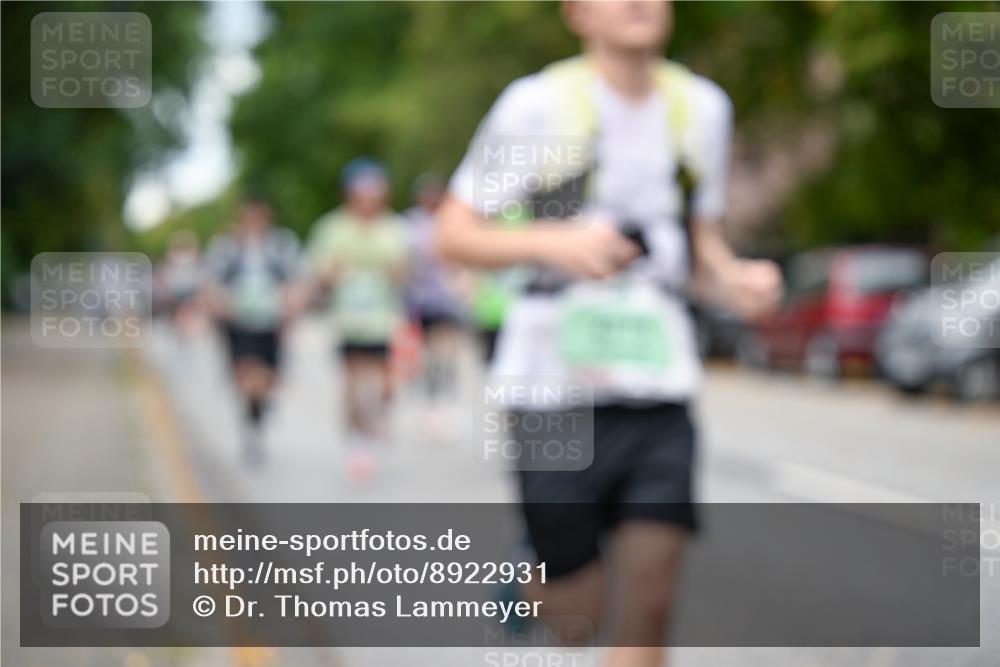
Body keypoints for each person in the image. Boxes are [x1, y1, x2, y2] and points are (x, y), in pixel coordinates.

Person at [435, 2, 782, 665]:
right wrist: (553, 241)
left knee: (650, 605)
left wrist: (736, 280)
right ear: (576, 13)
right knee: (576, 617)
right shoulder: (535, 105)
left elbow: (700, 244)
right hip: (552, 394)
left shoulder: (700, 109)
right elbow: (453, 233)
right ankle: (535, 572)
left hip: (657, 387)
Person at [307, 158, 408, 478]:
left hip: (384, 320)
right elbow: (320, 274)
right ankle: (357, 443)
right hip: (348, 321)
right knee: (352, 382)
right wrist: (338, 271)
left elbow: (404, 272)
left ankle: (375, 422)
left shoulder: (394, 228)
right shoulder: (332, 228)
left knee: (384, 384)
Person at [205, 199, 301, 467]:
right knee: (247, 374)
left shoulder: (280, 246)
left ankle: (258, 408)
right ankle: (252, 426)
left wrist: (290, 307)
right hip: (239, 322)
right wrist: (219, 307)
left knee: (266, 378)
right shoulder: (225, 249)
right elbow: (211, 283)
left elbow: (295, 281)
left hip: (270, 322)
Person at [404, 173, 468, 428]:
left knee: (446, 353)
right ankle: (430, 404)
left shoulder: (452, 222)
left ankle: (443, 404)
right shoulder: (410, 224)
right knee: (427, 356)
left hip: (448, 299)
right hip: (420, 300)